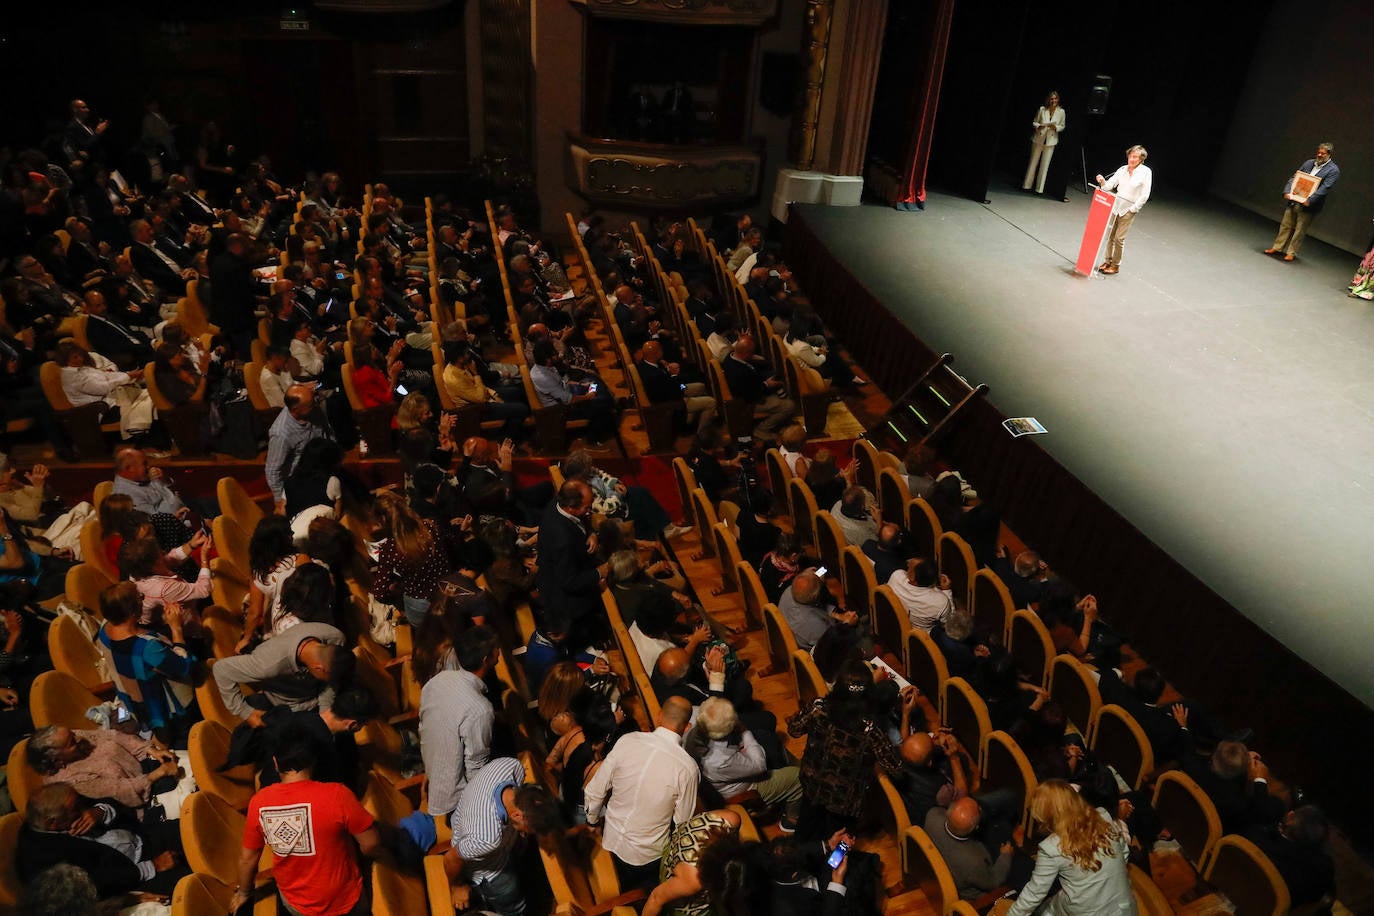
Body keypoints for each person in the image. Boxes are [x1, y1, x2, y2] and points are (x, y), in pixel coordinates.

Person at [232, 728, 381, 916]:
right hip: (344, 900)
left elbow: (248, 859)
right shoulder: (338, 794)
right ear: (313, 760)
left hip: (296, 905)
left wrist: (244, 893)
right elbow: (371, 843)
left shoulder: (259, 802)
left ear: (276, 763)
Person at [585, 696, 699, 889]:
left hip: (610, 839)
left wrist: (592, 821)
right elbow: (682, 822)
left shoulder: (627, 740)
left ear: (659, 716)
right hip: (648, 856)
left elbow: (595, 790)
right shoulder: (687, 768)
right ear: (687, 727)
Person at [786, 660, 902, 840]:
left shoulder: (817, 708)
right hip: (843, 800)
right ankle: (836, 867)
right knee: (839, 844)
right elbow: (896, 767)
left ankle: (800, 858)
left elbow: (793, 729)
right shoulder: (869, 730)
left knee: (804, 832)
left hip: (811, 783)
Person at [450, 756, 564, 916]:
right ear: (517, 815)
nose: (529, 833)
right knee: (512, 900)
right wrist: (457, 885)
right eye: (532, 830)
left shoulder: (511, 767)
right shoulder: (487, 838)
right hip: (488, 869)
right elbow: (451, 857)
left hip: (470, 816)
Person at [1005, 780, 1134, 915]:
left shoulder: (1050, 848)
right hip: (1124, 908)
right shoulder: (1103, 815)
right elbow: (1124, 853)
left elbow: (1033, 894)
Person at [94, 583, 197, 743]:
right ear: (132, 611)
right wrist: (176, 629)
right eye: (139, 597)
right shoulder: (147, 647)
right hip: (164, 710)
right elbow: (182, 667)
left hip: (132, 702)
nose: (143, 599)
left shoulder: (104, 630)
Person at [419, 626, 499, 822]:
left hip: (435, 770)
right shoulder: (480, 710)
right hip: (458, 796)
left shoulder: (437, 681)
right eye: (497, 648)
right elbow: (475, 767)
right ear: (486, 660)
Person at [686, 697, 803, 829]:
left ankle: (791, 768)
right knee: (798, 777)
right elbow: (759, 765)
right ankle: (791, 820)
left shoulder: (694, 724)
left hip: (727, 773)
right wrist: (745, 732)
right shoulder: (720, 760)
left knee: (768, 738)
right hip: (742, 789)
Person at [212, 622, 349, 727]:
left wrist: (324, 712)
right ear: (318, 668)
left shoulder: (335, 638)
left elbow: (331, 683)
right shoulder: (268, 664)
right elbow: (221, 670)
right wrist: (245, 712)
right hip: (285, 706)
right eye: (329, 677)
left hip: (316, 699)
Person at [27, 725, 181, 810]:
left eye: (72, 733)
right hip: (141, 794)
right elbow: (119, 791)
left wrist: (149, 749)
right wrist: (160, 772)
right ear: (57, 760)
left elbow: (112, 735)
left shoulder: (74, 736)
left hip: (142, 764)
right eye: (71, 743)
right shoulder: (69, 781)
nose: (79, 737)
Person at [925, 797, 1014, 901]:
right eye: (979, 810)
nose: (980, 808)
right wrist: (1005, 856)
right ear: (975, 828)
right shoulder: (973, 862)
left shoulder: (932, 815)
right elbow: (993, 882)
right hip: (973, 896)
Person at [1266, 142, 1340, 262]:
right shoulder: (1309, 163)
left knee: (1299, 230)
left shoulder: (1333, 170)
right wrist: (1287, 191)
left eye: (1323, 153)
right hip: (1294, 199)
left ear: (1329, 154)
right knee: (1285, 225)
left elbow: (1325, 188)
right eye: (1319, 152)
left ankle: (1291, 252)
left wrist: (1310, 200)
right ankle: (1277, 247)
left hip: (1308, 205)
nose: (1320, 155)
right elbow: (1294, 177)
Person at [265, 383, 334, 513]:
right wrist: (280, 501)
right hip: (300, 480)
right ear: (296, 409)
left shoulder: (312, 409)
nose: (314, 404)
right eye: (310, 404)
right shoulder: (281, 434)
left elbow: (327, 431)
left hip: (321, 468)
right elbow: (272, 471)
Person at [1094, 145, 1152, 276]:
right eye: (1131, 156)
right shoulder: (1122, 169)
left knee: (1119, 239)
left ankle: (1115, 265)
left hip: (1128, 209)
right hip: (1115, 206)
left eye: (1135, 157)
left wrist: (1133, 209)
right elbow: (1109, 186)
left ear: (1141, 159)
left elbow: (1145, 194)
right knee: (1110, 236)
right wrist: (1102, 181)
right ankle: (1107, 261)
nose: (1132, 159)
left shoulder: (1146, 172)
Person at [1023, 91, 1065, 194]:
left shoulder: (1061, 111)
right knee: (1033, 162)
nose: (1053, 101)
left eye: (1055, 99)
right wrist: (1039, 126)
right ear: (1048, 99)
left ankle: (1039, 189)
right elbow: (1035, 122)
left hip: (1051, 140)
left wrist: (1055, 127)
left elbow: (1062, 126)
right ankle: (1027, 186)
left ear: (1058, 99)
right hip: (1039, 138)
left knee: (1045, 165)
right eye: (1051, 99)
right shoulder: (1042, 109)